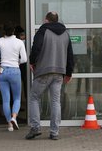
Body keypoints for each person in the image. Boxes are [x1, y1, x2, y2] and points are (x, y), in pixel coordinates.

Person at [25, 12, 74, 140]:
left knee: (34, 97)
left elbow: (36, 47)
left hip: (43, 71)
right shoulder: (66, 34)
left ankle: (35, 128)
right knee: (55, 101)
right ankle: (54, 132)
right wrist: (68, 72)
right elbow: (70, 55)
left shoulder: (43, 30)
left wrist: (32, 62)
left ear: (46, 20)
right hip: (59, 73)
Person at [0, 22, 27, 132]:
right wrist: (17, 62)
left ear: (4, 31)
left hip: (2, 71)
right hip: (15, 70)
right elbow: (24, 59)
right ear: (14, 31)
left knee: (6, 100)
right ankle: (14, 117)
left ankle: (9, 125)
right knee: (16, 98)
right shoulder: (19, 42)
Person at [14, 25, 27, 100]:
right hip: (18, 66)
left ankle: (24, 100)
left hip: (22, 66)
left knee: (25, 83)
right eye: (22, 35)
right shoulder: (18, 43)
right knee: (17, 85)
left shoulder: (25, 42)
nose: (24, 37)